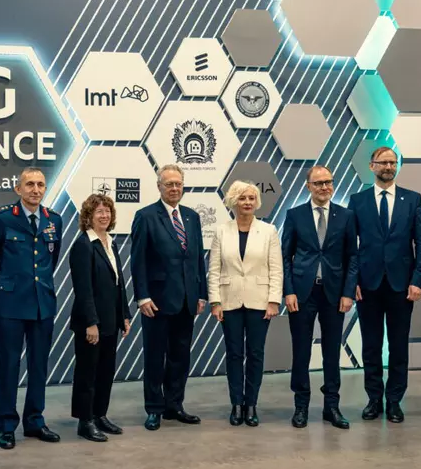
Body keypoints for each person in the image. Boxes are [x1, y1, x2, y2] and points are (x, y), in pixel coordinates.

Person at [0, 167, 63, 449]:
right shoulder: (2, 218)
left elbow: (51, 260)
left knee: (39, 366)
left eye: (40, 184)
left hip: (42, 304)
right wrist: (6, 285)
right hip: (11, 305)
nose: (35, 189)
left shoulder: (54, 219)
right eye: (29, 184)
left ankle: (35, 421)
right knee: (9, 366)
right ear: (18, 189)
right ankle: (6, 425)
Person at [348, 147, 421, 424]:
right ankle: (374, 399)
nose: (389, 167)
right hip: (367, 285)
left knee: (398, 346)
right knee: (371, 346)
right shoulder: (358, 201)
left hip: (402, 286)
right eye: (383, 162)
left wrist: (418, 280)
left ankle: (394, 400)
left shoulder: (412, 199)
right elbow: (350, 246)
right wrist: (352, 281)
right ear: (372, 166)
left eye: (393, 162)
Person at [130, 164, 208, 431]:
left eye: (178, 184)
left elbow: (198, 258)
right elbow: (138, 260)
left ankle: (174, 405)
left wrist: (201, 293)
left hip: (187, 300)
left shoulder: (192, 217)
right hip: (157, 301)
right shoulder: (145, 216)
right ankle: (154, 408)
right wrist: (142, 296)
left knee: (180, 356)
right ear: (159, 187)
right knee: (155, 356)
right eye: (169, 184)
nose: (174, 188)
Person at [282, 165, 357, 430]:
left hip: (334, 294)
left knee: (331, 352)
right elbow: (285, 257)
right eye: (318, 183)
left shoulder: (346, 215)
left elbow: (352, 257)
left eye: (328, 182)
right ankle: (301, 406)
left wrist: (348, 292)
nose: (324, 187)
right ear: (308, 186)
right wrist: (288, 290)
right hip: (302, 293)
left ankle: (331, 406)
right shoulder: (295, 215)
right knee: (301, 351)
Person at [208, 180, 281, 427]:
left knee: (256, 354)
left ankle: (251, 405)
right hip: (229, 302)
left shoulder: (269, 231)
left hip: (260, 302)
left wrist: (273, 300)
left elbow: (276, 269)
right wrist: (215, 301)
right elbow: (214, 269)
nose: (247, 202)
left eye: (251, 198)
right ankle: (236, 404)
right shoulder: (221, 231)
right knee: (234, 354)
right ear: (233, 201)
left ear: (257, 202)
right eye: (242, 198)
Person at [68, 194, 132, 442]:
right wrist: (91, 323)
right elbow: (83, 289)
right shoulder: (83, 245)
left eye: (107, 211)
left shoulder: (110, 243)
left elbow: (119, 283)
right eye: (99, 212)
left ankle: (100, 415)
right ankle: (85, 421)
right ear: (88, 216)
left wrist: (124, 315)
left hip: (110, 320)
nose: (104, 216)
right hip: (91, 322)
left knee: (105, 371)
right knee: (87, 373)